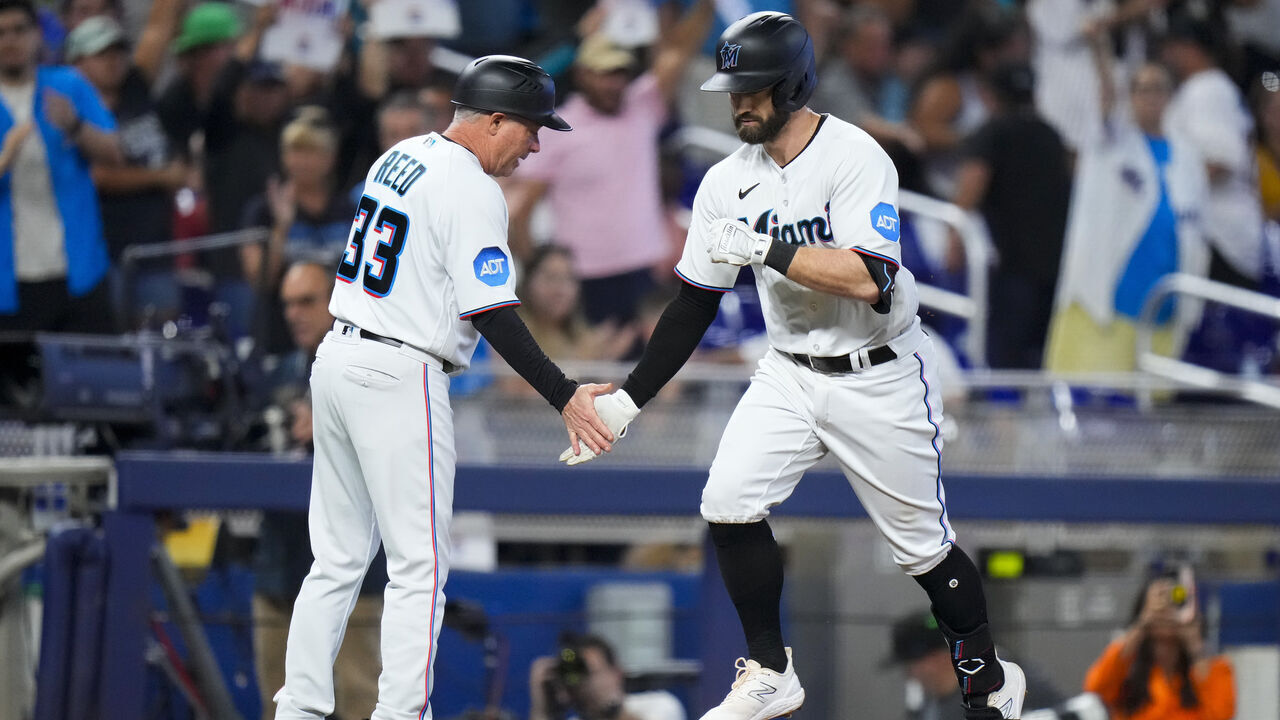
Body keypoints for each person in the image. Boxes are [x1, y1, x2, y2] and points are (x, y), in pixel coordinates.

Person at [558, 13, 1026, 720]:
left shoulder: (855, 155)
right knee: (727, 502)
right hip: (790, 370)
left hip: (879, 370)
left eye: (754, 89)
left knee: (923, 551)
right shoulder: (724, 181)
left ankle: (989, 680)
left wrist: (766, 249)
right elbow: (692, 305)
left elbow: (872, 276)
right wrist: (628, 401)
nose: (739, 102)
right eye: (733, 89)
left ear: (795, 84)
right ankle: (771, 670)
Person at [272, 55, 615, 720]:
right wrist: (563, 393)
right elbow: (490, 310)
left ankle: (299, 709)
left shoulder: (399, 155)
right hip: (399, 372)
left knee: (337, 559)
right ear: (493, 119)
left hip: (339, 358)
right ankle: (402, 714)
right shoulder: (471, 187)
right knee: (420, 567)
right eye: (531, 128)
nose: (537, 144)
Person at [508, 0, 714, 326]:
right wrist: (540, 272)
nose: (612, 82)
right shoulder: (558, 128)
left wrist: (706, 7)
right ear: (581, 74)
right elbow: (520, 212)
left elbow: (679, 52)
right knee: (591, 374)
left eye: (619, 72)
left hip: (647, 271)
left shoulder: (642, 105)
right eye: (602, 73)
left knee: (655, 370)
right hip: (585, 278)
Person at [254, 260, 383, 720]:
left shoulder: (372, 363)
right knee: (280, 696)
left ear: (335, 299)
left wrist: (332, 426)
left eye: (307, 301)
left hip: (354, 566)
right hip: (282, 559)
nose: (294, 313)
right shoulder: (275, 375)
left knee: (358, 694)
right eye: (287, 304)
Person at [1044, 34, 1210, 375]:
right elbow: (1105, 98)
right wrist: (1099, 46)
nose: (1151, 97)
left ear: (1170, 96)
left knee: (1149, 410)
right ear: (1129, 96)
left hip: (1166, 302)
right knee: (1096, 399)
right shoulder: (1111, 142)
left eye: (1158, 88)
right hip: (1110, 301)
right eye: (1142, 89)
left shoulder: (1188, 156)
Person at [0, 0, 122, 333]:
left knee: (95, 377)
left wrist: (75, 126)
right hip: (10, 281)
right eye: (1, 33)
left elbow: (114, 152)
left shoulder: (67, 85)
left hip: (79, 271)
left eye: (19, 30)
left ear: (38, 34)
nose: (10, 41)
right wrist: (6, 155)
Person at [68, 7, 187, 328]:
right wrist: (162, 176)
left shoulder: (134, 87)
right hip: (107, 252)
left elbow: (160, 26)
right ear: (76, 63)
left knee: (165, 341)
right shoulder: (70, 109)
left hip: (156, 244)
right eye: (101, 54)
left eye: (118, 51)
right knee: (116, 343)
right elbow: (99, 177)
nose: (114, 61)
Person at [949, 62, 1072, 370]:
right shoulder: (1052, 135)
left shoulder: (992, 132)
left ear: (992, 96)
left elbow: (972, 184)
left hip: (1012, 266)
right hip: (1054, 265)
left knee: (1006, 360)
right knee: (1039, 359)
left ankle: (1004, 416)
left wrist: (954, 240)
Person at [1083, 569, 1235, 720]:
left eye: (1175, 602)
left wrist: (1195, 646)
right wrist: (1143, 623)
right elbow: (1098, 688)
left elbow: (1221, 714)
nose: (1167, 610)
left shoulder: (1213, 669)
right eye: (1161, 601)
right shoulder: (1128, 669)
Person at [886, 610, 1065, 720]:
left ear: (936, 658)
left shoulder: (1008, 684)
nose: (910, 676)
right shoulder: (928, 702)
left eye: (910, 667)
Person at [529, 632, 686, 720]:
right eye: (582, 674)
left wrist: (613, 711)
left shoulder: (660, 705)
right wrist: (541, 709)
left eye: (593, 672)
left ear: (616, 673)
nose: (588, 682)